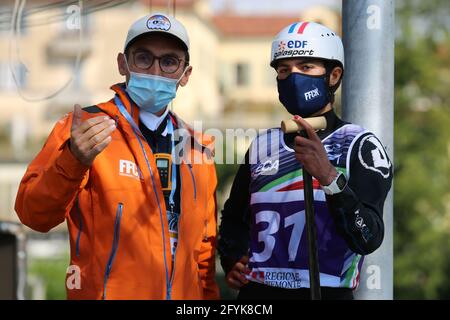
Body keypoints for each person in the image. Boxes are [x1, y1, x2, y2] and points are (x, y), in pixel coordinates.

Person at [15, 13, 219, 300]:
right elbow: (33, 215)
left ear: (185, 74)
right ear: (123, 64)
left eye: (169, 61)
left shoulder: (198, 147)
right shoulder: (83, 128)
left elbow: (204, 254)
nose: (156, 71)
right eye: (144, 58)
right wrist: (74, 159)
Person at [218, 21, 393, 300]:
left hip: (327, 292)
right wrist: (232, 259)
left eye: (306, 67)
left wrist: (329, 177)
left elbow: (368, 237)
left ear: (334, 75)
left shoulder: (360, 144)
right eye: (284, 70)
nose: (293, 77)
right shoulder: (264, 144)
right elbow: (233, 217)